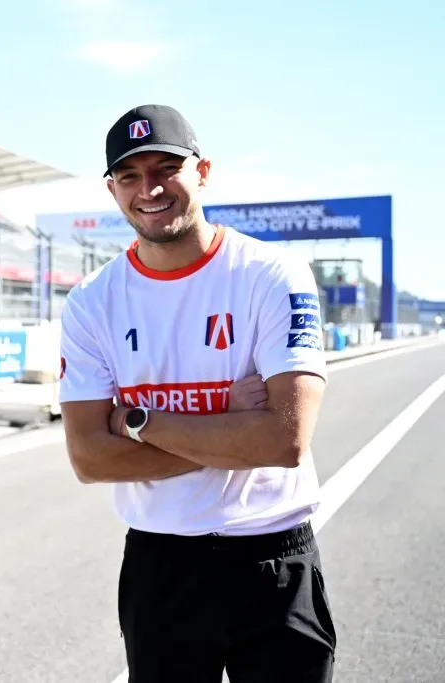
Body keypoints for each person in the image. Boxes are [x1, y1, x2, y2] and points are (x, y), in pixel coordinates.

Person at [58, 104, 337, 682]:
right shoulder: (92, 300)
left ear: (203, 171)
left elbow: (283, 440)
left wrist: (138, 421)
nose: (150, 189)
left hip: (275, 558)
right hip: (163, 565)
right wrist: (228, 429)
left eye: (167, 168)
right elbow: (89, 459)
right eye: (130, 176)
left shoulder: (272, 274)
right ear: (111, 190)